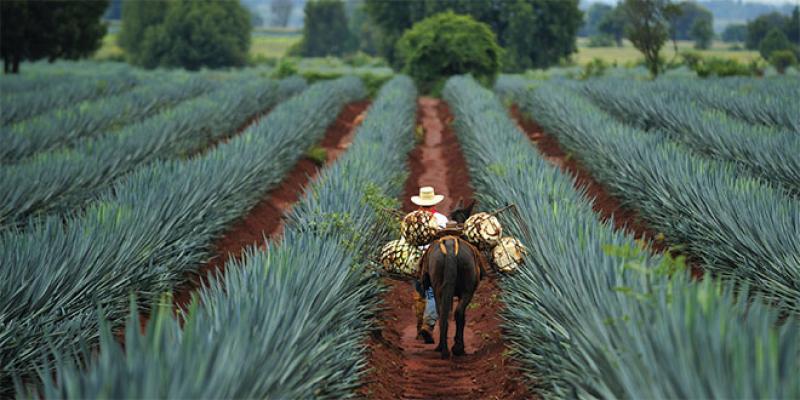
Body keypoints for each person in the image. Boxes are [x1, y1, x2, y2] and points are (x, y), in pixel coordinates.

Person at [410, 186, 448, 343]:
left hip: (417, 260)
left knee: (420, 294)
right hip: (436, 260)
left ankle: (421, 327)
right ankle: (428, 324)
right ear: (434, 203)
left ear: (420, 203)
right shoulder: (442, 219)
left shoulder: (411, 218)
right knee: (433, 293)